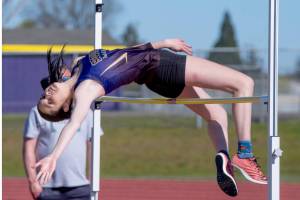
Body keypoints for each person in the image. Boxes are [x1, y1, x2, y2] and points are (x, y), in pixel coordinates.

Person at [36, 38, 267, 197]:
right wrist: (54, 156)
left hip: (154, 77)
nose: (47, 95)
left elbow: (122, 54)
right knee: (244, 83)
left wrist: (160, 43)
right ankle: (245, 154)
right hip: (163, 65)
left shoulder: (78, 65)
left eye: (43, 96)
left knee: (216, 113)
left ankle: (223, 156)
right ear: (67, 106)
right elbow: (74, 124)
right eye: (50, 103)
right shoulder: (86, 90)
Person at [23, 70, 95, 200]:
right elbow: (29, 148)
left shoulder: (86, 111)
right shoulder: (38, 111)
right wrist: (33, 181)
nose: (49, 91)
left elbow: (92, 146)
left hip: (80, 185)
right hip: (47, 186)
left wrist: (92, 177)